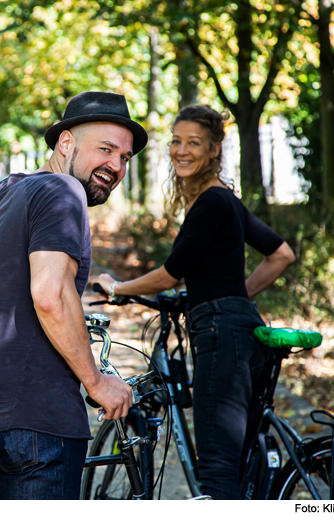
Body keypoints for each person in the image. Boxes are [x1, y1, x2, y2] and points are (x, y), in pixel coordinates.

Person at [0, 92, 144, 499]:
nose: (115, 166)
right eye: (106, 149)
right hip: (38, 417)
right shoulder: (64, 191)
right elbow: (50, 295)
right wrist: (95, 381)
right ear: (66, 143)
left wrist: (8, 301)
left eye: (125, 158)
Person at [94, 105, 296, 500]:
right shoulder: (224, 199)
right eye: (176, 141)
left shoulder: (211, 202)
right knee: (236, 462)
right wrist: (236, 295)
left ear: (215, 149)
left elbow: (171, 274)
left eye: (194, 143)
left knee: (217, 468)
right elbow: (282, 254)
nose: (181, 151)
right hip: (242, 329)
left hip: (221, 335)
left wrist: (118, 287)